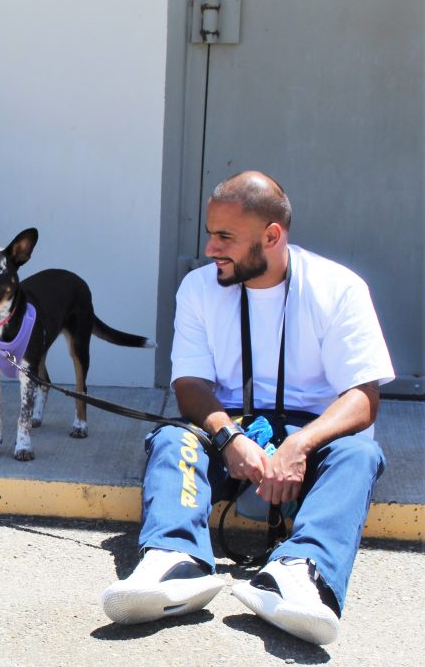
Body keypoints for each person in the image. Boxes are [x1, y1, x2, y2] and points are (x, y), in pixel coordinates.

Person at [100, 171, 393, 645]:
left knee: (358, 455)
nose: (211, 248)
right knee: (174, 440)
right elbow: (190, 384)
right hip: (232, 427)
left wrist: (300, 444)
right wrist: (227, 436)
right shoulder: (198, 288)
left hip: (312, 433)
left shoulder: (339, 288)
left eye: (225, 237)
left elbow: (363, 396)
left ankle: (298, 575)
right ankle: (174, 563)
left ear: (272, 236)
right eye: (210, 234)